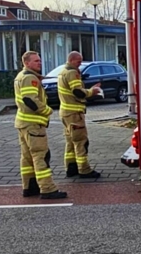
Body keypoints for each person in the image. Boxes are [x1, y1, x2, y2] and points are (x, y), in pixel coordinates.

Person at [14, 51, 66, 199]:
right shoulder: (30, 78)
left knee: (27, 157)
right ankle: (47, 189)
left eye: (40, 60)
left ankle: (29, 187)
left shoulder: (20, 76)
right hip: (33, 124)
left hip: (22, 123)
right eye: (36, 61)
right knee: (40, 156)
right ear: (27, 63)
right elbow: (30, 100)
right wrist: (47, 111)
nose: (39, 63)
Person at [57, 51, 103, 179]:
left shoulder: (63, 72)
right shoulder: (72, 72)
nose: (80, 63)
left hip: (66, 113)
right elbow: (77, 91)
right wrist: (91, 92)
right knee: (81, 142)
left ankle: (71, 168)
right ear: (71, 60)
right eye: (78, 61)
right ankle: (84, 170)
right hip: (74, 114)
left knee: (70, 142)